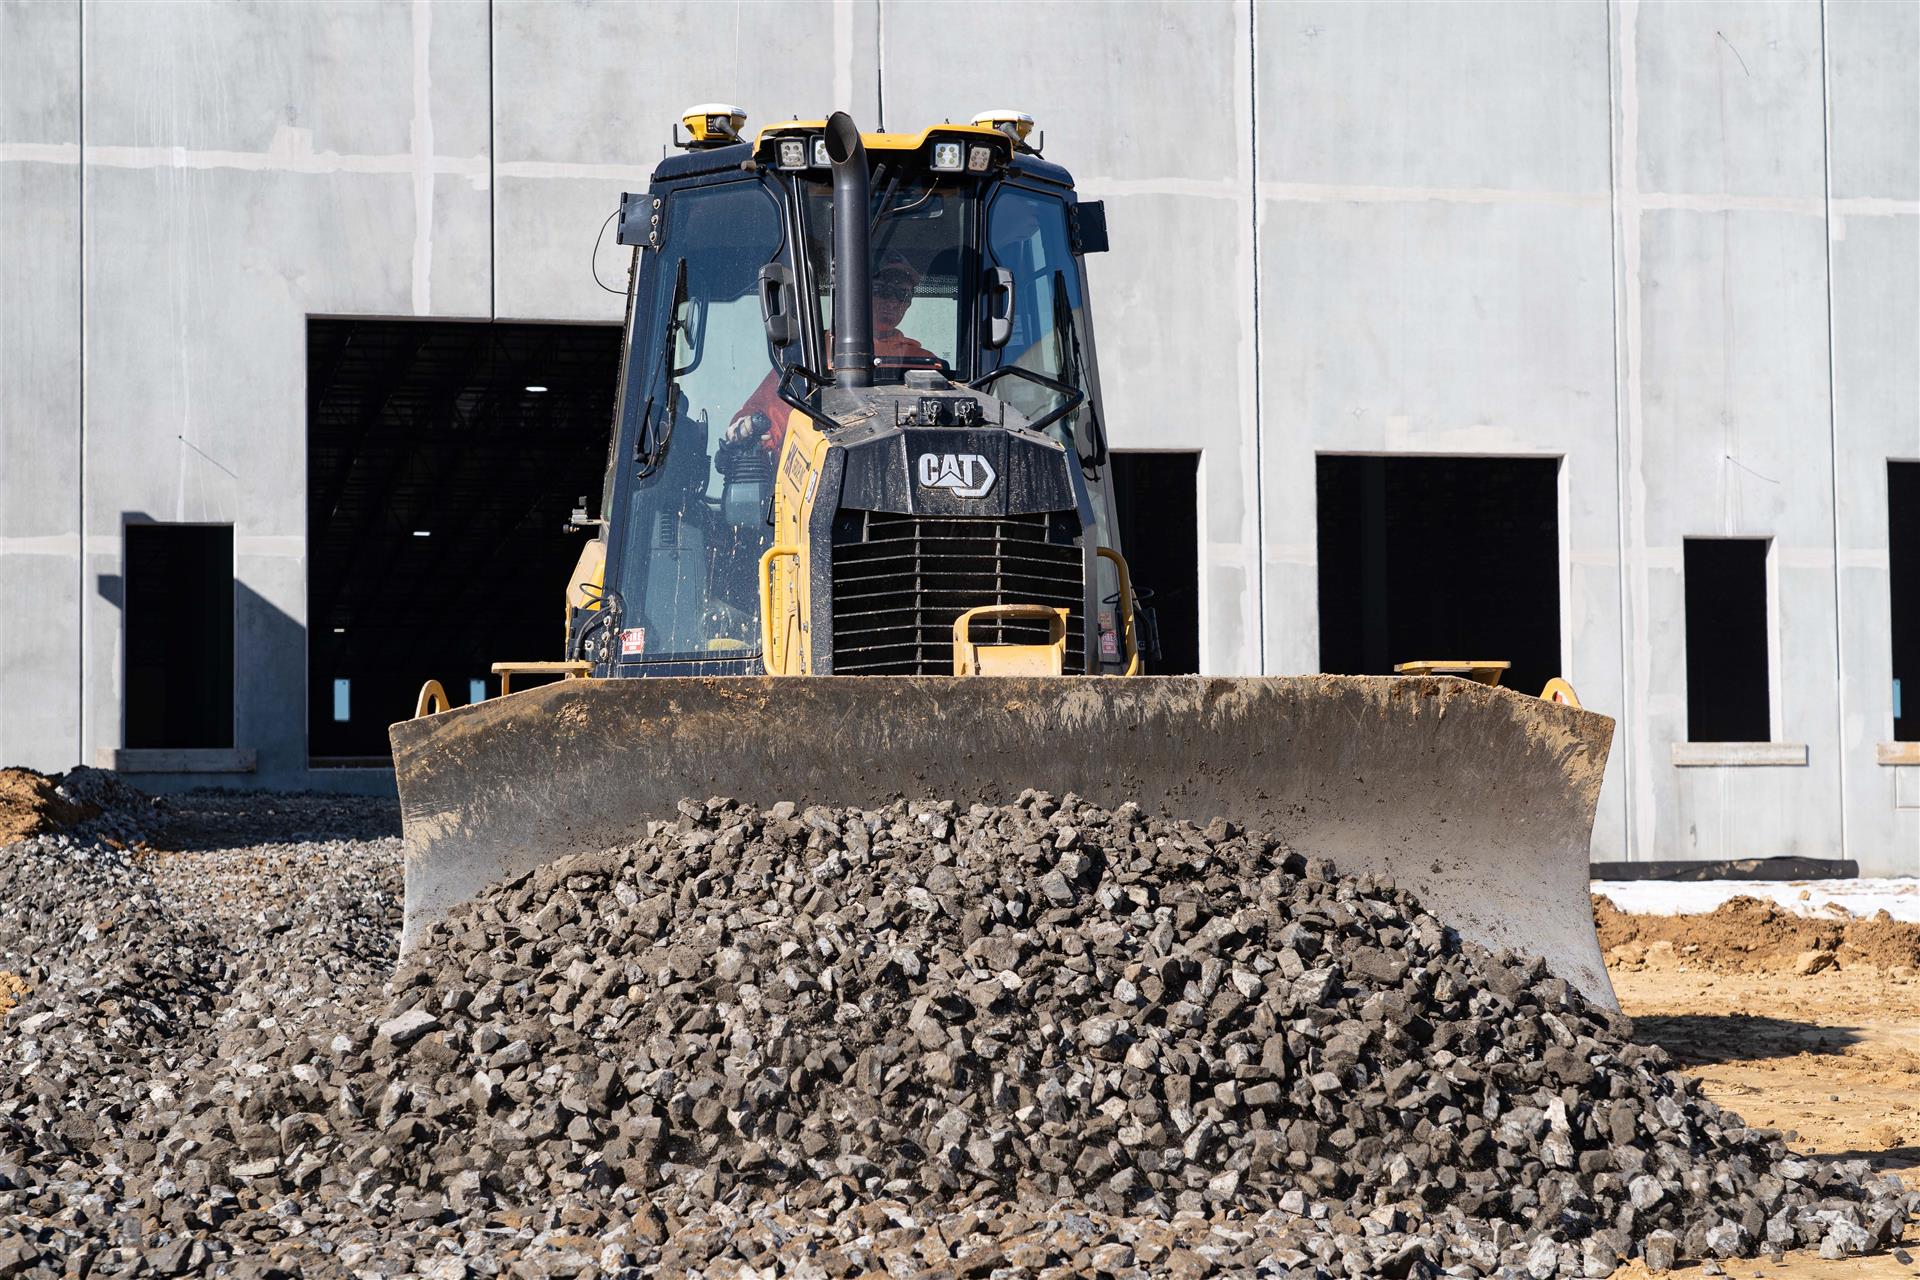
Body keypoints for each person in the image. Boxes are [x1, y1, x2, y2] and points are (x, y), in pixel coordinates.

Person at [724, 252, 937, 455]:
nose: (892, 303)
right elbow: (768, 415)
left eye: (902, 294)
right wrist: (748, 428)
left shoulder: (926, 364)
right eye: (882, 290)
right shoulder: (813, 354)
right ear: (856, 293)